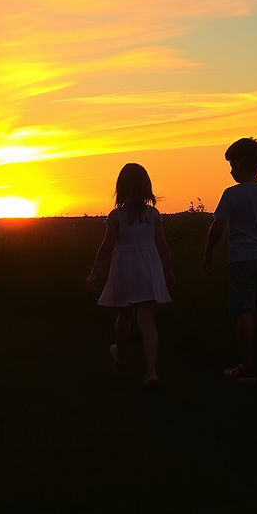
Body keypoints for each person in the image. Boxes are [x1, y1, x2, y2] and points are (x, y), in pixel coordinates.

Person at [202, 137, 257, 382]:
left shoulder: (231, 194)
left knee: (244, 311)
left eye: (231, 166)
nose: (230, 171)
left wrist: (208, 254)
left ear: (238, 165)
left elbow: (217, 228)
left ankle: (247, 365)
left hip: (241, 261)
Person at [86, 163, 176, 389]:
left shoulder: (117, 216)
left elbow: (107, 247)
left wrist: (95, 272)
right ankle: (151, 372)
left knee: (124, 315)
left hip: (125, 267)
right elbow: (162, 245)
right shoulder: (153, 214)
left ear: (120, 188)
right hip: (148, 267)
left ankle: (121, 354)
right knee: (147, 320)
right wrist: (168, 271)